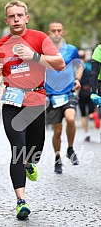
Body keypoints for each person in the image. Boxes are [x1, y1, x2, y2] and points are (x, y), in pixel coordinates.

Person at [0, 0, 65, 220]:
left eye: (19, 15)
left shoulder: (40, 38)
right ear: (6, 20)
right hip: (12, 102)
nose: (16, 20)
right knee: (17, 149)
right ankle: (21, 201)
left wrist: (34, 56)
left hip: (36, 102)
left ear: (26, 18)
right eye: (11, 16)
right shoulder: (0, 44)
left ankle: (30, 162)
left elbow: (59, 64)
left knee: (35, 149)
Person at [45, 21, 83, 174]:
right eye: (53, 30)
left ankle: (70, 148)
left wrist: (77, 79)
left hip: (69, 92)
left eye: (59, 30)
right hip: (52, 95)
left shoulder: (71, 50)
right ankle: (57, 158)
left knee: (71, 119)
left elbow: (79, 65)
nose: (56, 33)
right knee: (58, 130)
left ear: (63, 32)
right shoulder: (44, 51)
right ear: (49, 32)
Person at [78, 50, 98, 142]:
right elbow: (95, 76)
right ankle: (94, 115)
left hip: (81, 92)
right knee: (90, 113)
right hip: (90, 91)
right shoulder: (89, 66)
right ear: (85, 57)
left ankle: (87, 133)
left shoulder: (76, 67)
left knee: (83, 115)